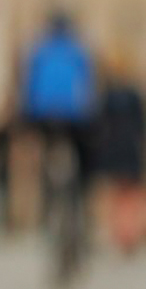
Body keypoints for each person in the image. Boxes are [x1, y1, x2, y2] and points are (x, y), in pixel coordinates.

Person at [21, 10, 97, 194]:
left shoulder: (39, 50)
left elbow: (30, 85)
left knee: (43, 153)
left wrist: (27, 113)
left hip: (43, 114)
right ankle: (79, 198)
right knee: (82, 156)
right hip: (73, 116)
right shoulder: (78, 51)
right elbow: (87, 85)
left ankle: (46, 198)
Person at [95, 49, 146, 254]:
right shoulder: (134, 95)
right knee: (131, 196)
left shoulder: (107, 96)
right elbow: (143, 126)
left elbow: (99, 126)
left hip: (113, 151)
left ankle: (121, 234)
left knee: (118, 196)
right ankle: (130, 234)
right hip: (131, 150)